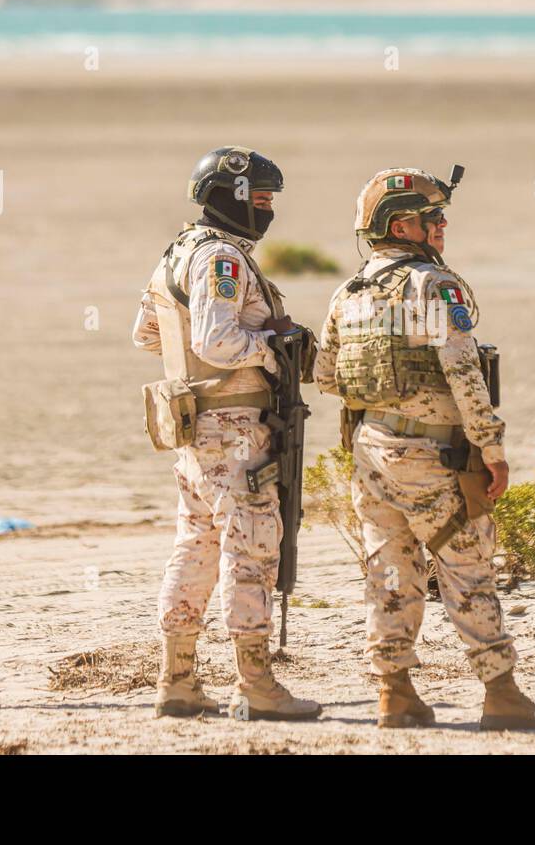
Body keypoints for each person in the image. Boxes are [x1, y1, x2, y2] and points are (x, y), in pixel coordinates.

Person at [314, 167, 535, 730]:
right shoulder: (429, 285)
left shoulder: (347, 292)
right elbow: (464, 373)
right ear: (401, 224)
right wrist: (492, 450)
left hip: (369, 453)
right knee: (467, 566)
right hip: (433, 456)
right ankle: (501, 693)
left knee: (389, 572)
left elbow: (326, 376)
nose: (442, 226)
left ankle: (394, 694)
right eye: (432, 217)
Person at [132, 146, 321, 721]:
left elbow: (146, 333)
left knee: (196, 547)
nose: (268, 213)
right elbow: (214, 341)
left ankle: (179, 679)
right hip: (236, 426)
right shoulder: (222, 260)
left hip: (197, 429)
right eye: (261, 201)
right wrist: (274, 348)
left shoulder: (177, 253)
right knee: (252, 548)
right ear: (231, 199)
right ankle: (256, 682)